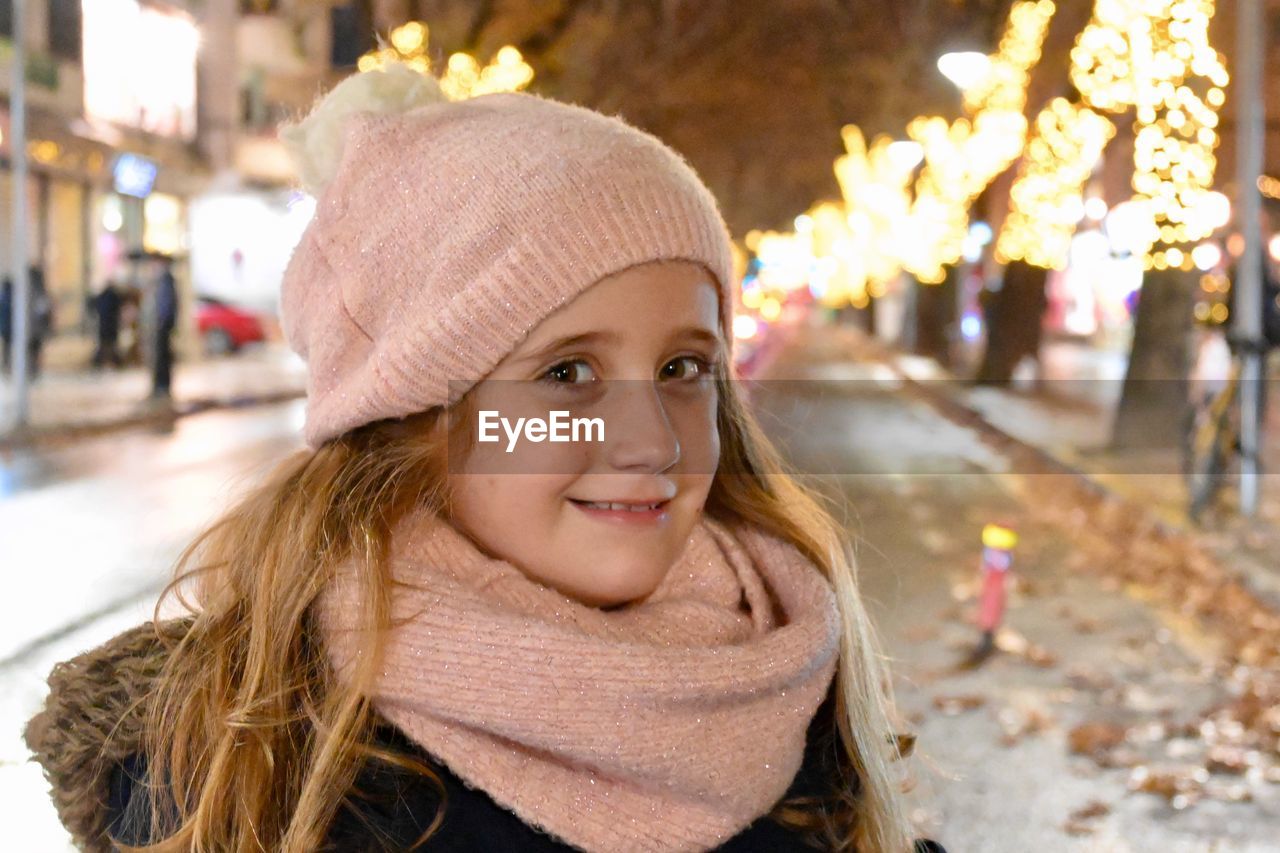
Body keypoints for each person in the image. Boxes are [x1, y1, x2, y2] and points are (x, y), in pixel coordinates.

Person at [25, 63, 944, 853]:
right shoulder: (264, 781)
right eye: (568, 371)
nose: (652, 440)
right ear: (411, 422)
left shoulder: (798, 679)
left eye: (682, 367)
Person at [0, 266, 53, 378]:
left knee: (22, 349)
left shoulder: (21, 293)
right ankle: (30, 370)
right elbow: (44, 310)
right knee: (31, 349)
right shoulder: (37, 293)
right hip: (30, 329)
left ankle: (27, 369)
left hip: (23, 329)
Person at [150, 254, 178, 397]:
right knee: (161, 356)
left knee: (163, 356)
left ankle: (162, 385)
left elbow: (167, 304)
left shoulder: (166, 280)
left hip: (163, 324)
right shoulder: (161, 280)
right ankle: (160, 385)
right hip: (162, 323)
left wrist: (164, 322)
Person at [90, 277, 125, 369]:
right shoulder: (114, 296)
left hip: (104, 324)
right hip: (111, 324)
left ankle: (101, 362)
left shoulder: (103, 295)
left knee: (104, 344)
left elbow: (95, 306)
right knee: (111, 345)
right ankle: (109, 362)